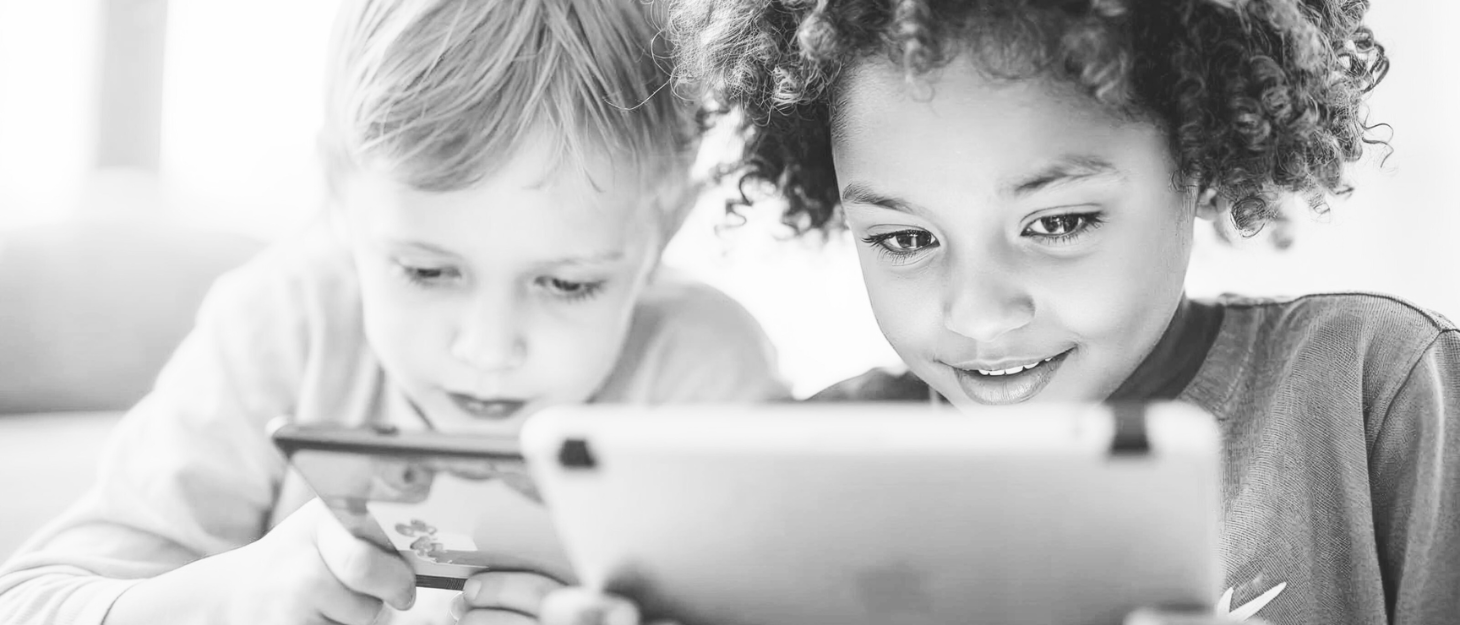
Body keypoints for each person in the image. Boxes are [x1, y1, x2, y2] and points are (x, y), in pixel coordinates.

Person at [520, 0, 1459, 623]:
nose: (975, 312)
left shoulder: (1372, 391)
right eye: (903, 239)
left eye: (1055, 222)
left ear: (1200, 158)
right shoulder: (811, 470)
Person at [0, 1, 787, 623]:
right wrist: (220, 601)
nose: (487, 348)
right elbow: (32, 600)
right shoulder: (286, 326)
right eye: (425, 269)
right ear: (339, 197)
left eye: (567, 284)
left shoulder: (703, 378)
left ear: (665, 222)